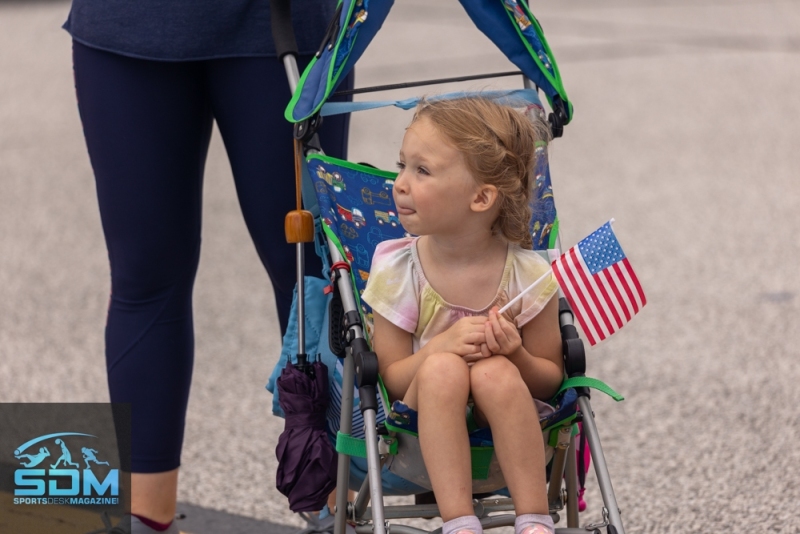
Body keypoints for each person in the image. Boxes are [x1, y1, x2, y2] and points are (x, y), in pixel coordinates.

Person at [63, 1, 351, 533]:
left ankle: (334, 510)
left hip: (285, 24)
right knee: (144, 277)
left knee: (313, 278)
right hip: (125, 28)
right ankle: (144, 520)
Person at [361, 97, 563, 534]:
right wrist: (441, 348)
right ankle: (459, 523)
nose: (399, 183)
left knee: (495, 371)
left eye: (422, 171)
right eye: (402, 165)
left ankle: (534, 520)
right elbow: (391, 377)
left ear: (481, 197)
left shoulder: (527, 275)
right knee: (443, 371)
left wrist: (518, 357)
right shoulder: (398, 269)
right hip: (418, 432)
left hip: (509, 430)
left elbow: (551, 379)